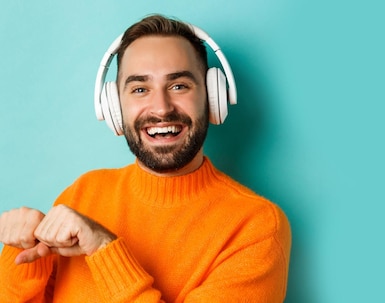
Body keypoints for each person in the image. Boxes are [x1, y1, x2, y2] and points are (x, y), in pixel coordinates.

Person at [0, 14, 291, 302]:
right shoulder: (83, 193)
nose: (161, 108)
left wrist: (105, 248)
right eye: (140, 89)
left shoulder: (256, 227)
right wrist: (21, 251)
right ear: (114, 106)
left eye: (179, 86)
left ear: (212, 97)